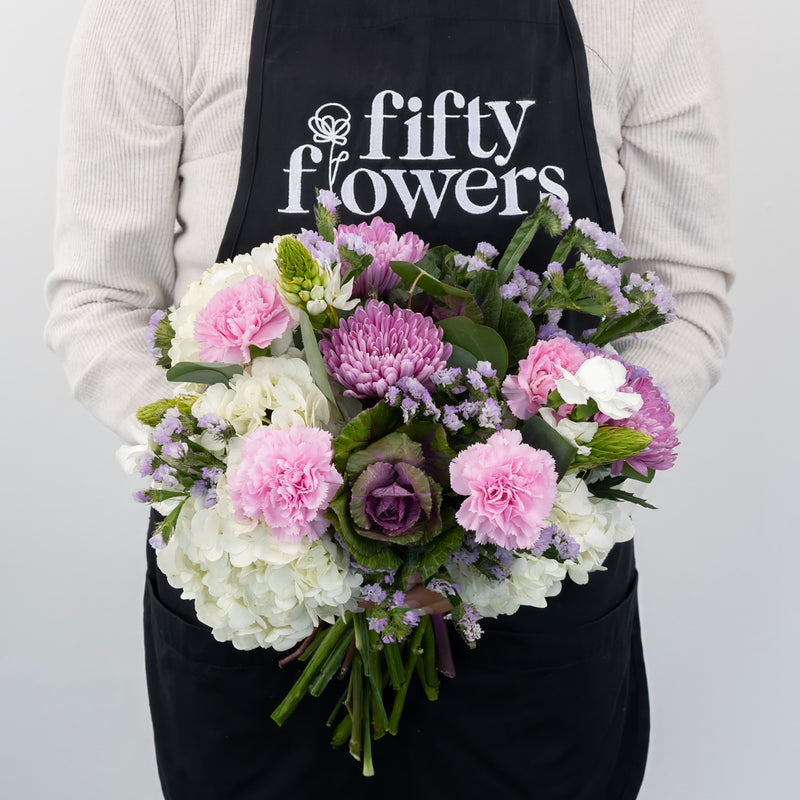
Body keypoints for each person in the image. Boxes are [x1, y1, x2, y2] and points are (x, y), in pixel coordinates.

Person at [45, 1, 733, 798]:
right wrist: (256, 474)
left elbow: (683, 295)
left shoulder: (643, 16)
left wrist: (530, 495)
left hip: (530, 606)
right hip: (269, 589)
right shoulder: (157, 15)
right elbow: (100, 301)